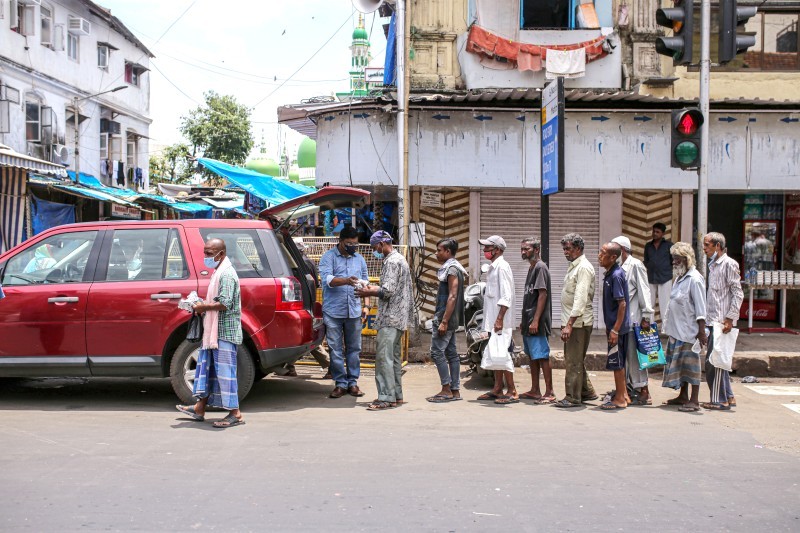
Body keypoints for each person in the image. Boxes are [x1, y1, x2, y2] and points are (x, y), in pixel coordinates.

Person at [176, 238, 245, 428]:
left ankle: (235, 414)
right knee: (209, 371)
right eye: (205, 252)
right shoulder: (218, 271)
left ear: (220, 254)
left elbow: (225, 303)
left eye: (209, 253)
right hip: (214, 333)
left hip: (224, 332)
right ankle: (199, 407)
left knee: (225, 374)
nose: (205, 256)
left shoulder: (227, 274)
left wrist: (202, 306)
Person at [356, 231, 413, 411]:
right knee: (393, 359)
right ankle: (395, 395)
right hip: (398, 317)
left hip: (390, 318)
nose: (375, 251)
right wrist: (373, 288)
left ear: (382, 244)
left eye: (375, 248)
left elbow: (387, 291)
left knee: (383, 359)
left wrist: (368, 292)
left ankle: (386, 398)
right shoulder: (400, 259)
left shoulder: (392, 262)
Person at [318, 226, 369, 398]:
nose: (353, 246)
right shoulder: (328, 257)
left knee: (354, 349)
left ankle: (353, 382)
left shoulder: (359, 259)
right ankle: (340, 383)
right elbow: (328, 280)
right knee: (335, 349)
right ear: (340, 241)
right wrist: (346, 281)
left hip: (354, 311)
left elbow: (365, 284)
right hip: (333, 311)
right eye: (349, 243)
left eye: (355, 243)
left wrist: (366, 305)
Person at [661, 242, 708, 413]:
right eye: (673, 259)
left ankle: (694, 400)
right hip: (677, 330)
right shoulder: (680, 277)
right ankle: (683, 395)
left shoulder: (695, 280)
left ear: (686, 259)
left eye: (677, 259)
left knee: (691, 366)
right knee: (681, 365)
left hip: (689, 331)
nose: (674, 262)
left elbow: (701, 308)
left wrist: (701, 331)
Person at [554, 233, 598, 408]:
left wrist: (569, 324)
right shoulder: (574, 266)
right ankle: (587, 391)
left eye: (568, 249)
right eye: (564, 249)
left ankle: (573, 397)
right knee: (575, 358)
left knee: (573, 360)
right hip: (572, 322)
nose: (565, 252)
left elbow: (580, 300)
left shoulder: (583, 268)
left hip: (578, 323)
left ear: (578, 249)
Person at [702, 232, 744, 411]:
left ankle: (719, 400)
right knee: (719, 361)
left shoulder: (729, 264)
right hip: (712, 320)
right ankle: (729, 396)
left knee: (714, 363)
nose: (704, 249)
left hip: (721, 322)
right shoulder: (713, 265)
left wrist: (730, 318)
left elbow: (737, 292)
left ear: (717, 246)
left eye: (707, 245)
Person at [611, 235, 654, 405]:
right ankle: (631, 388)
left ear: (621, 250)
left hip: (635, 319)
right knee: (628, 357)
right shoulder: (622, 267)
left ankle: (644, 391)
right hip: (625, 321)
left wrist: (646, 316)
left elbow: (644, 291)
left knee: (636, 357)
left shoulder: (635, 265)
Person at [475, 235, 518, 405]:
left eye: (488, 247)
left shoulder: (502, 267)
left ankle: (512, 390)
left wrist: (500, 319)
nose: (485, 250)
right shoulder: (493, 267)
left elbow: (506, 296)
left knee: (502, 354)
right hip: (493, 320)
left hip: (501, 321)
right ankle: (497, 387)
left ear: (498, 250)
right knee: (496, 354)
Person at [425, 237, 467, 403]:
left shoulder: (451, 270)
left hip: (445, 317)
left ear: (448, 252)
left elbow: (452, 296)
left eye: (439, 250)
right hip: (450, 317)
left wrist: (443, 321)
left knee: (437, 352)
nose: (436, 253)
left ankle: (446, 389)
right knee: (451, 353)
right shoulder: (454, 268)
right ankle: (454, 390)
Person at [287, 238, 331, 379]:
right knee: (296, 337)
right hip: (308, 304)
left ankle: (332, 366)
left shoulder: (298, 264)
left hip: (302, 305)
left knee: (309, 340)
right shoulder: (310, 262)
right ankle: (290, 366)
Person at [518, 237, 555, 404]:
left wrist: (535, 320)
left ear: (537, 250)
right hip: (529, 320)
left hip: (536, 322)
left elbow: (542, 295)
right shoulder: (532, 268)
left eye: (527, 249)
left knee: (542, 355)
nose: (523, 252)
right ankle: (535, 390)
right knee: (532, 356)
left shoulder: (540, 267)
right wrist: (525, 320)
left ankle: (549, 392)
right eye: (522, 249)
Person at [597, 242, 631, 410]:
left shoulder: (616, 275)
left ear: (613, 257)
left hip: (617, 329)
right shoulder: (611, 273)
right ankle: (623, 394)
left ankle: (619, 399)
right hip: (614, 326)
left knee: (616, 362)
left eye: (603, 253)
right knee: (618, 361)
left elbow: (622, 304)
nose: (599, 255)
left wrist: (615, 329)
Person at [644, 222, 674, 328]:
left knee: (665, 305)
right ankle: (649, 327)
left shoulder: (669, 246)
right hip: (651, 277)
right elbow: (646, 261)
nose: (655, 234)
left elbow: (673, 261)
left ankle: (666, 329)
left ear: (662, 233)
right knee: (649, 304)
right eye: (654, 231)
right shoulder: (648, 246)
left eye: (657, 232)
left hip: (665, 278)